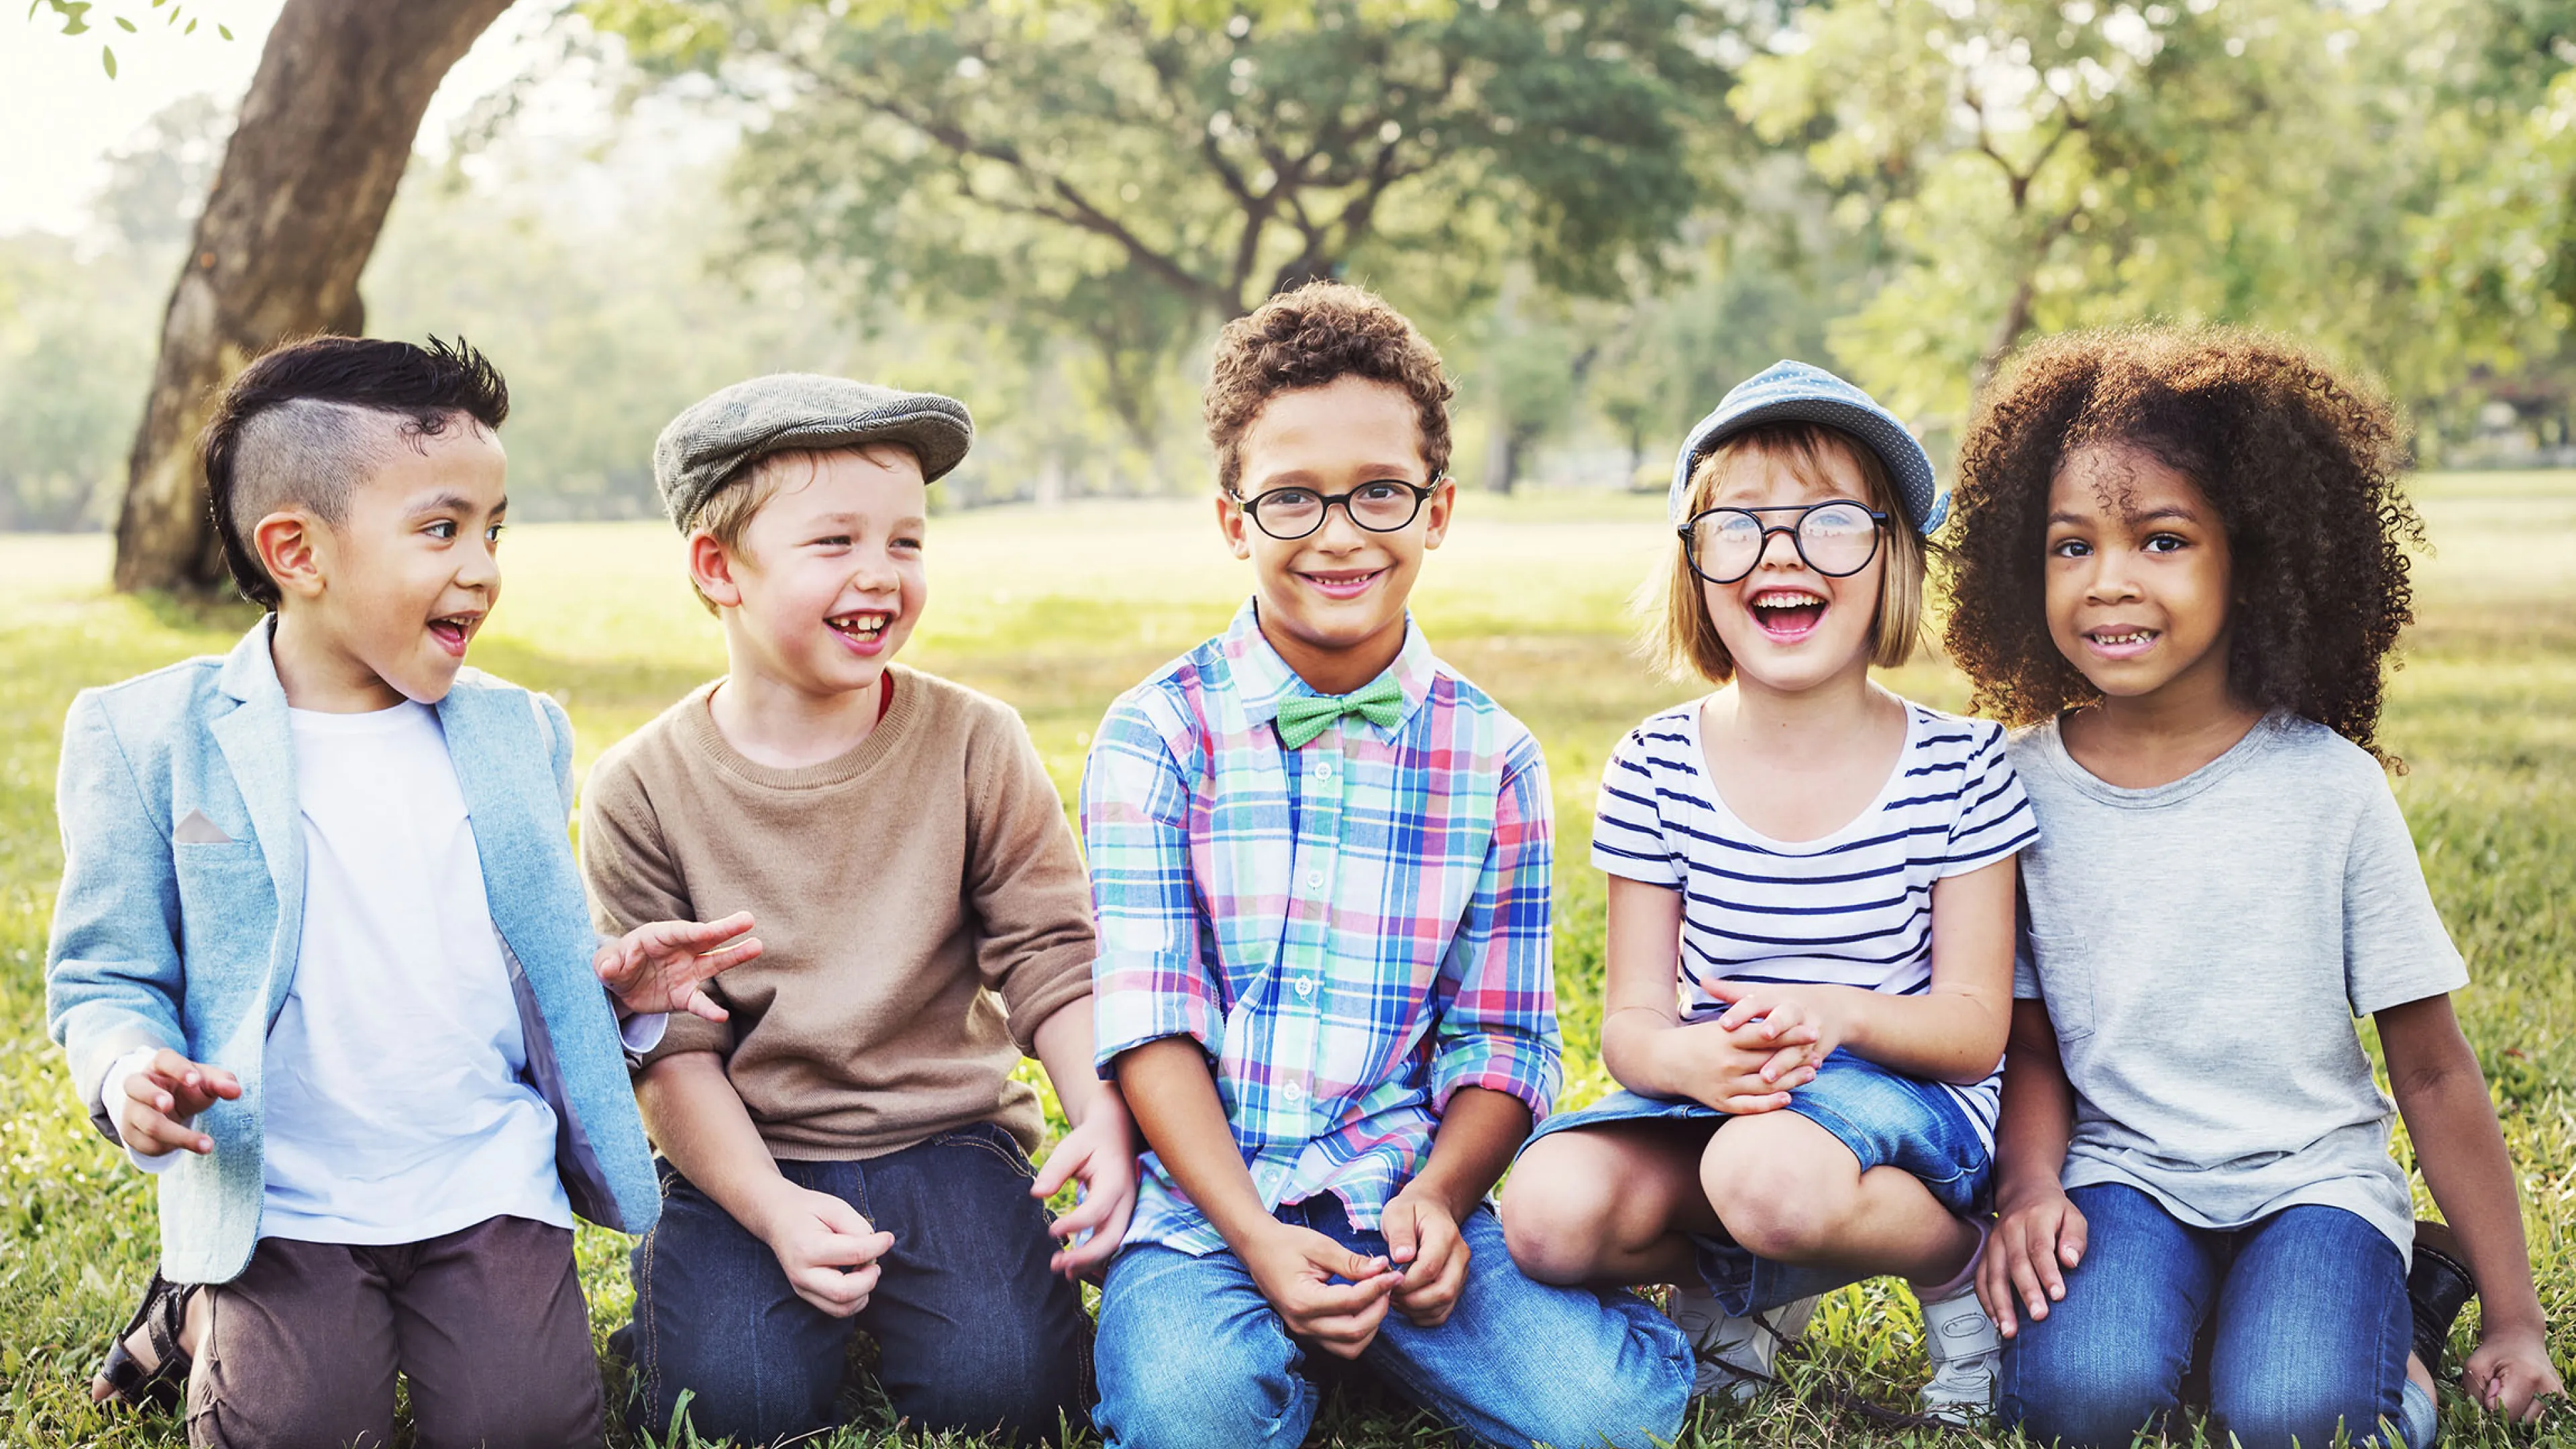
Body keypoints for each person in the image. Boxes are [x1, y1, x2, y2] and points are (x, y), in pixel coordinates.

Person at [50, 336, 751, 1449]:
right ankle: (197, 1309)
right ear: (298, 550)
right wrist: (130, 1067)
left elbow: (516, 967)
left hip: (482, 1176)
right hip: (285, 1196)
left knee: (523, 1428)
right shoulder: (147, 737)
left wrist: (614, 992)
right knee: (296, 1429)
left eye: (493, 529)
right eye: (441, 529)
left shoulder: (519, 731)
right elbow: (106, 972)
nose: (481, 566)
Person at [1079, 280, 1693, 1449]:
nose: (1342, 534)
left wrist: (1441, 1201)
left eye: (1379, 493)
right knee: (1189, 1417)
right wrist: (1258, 1239)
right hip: (1210, 1214)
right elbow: (1150, 1024)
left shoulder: (1494, 757)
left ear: (1438, 509)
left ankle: (1401, 1338)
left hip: (1399, 1193)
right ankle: (1270, 1348)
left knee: (1613, 1418)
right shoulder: (1157, 735)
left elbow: (1505, 1040)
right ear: (1233, 521)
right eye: (1293, 500)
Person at [1943, 327, 2566, 1448]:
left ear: (2258, 556)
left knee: (2299, 1416)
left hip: (2309, 1181)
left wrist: (2517, 1319)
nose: (2111, 581)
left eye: (2164, 539)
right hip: (2123, 1176)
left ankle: (2412, 1325)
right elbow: (2026, 1040)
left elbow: (2427, 1065)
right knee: (2078, 1401)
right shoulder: (2011, 786)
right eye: (2069, 547)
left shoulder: (2327, 788)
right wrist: (2033, 1186)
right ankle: (2229, 1318)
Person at [582, 374, 1134, 1444]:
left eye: (907, 543)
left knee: (1009, 1391)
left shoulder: (977, 742)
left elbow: (1052, 961)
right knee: (735, 1405)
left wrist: (1102, 1121)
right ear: (717, 568)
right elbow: (673, 1050)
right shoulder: (639, 785)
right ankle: (693, 1301)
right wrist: (774, 1210)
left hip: (949, 1137)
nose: (880, 575)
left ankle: (924, 1297)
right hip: (752, 1147)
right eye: (834, 543)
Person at [1497, 361, 2034, 1424]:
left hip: (1912, 1104)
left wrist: (1834, 1014)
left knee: (1763, 1176)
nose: (1780, 555)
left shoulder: (1962, 767)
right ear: (1694, 568)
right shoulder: (1655, 765)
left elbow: (1976, 1033)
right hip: (1721, 1097)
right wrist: (1689, 1058)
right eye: (1738, 528)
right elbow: (1635, 1026)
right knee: (1546, 1217)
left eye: (1831, 524)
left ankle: (1955, 1267)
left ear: (1893, 560)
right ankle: (1734, 1290)